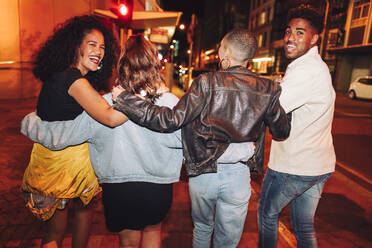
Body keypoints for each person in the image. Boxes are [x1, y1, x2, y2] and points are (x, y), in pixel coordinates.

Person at [21, 34, 255, 248]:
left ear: (122, 65)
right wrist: (243, 149)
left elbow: (65, 135)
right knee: (153, 232)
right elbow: (193, 141)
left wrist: (32, 124)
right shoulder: (170, 102)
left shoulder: (103, 103)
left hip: (119, 189)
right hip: (158, 187)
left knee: (128, 241)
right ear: (154, 65)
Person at [112, 29, 291, 247]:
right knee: (228, 239)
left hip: (205, 171)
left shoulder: (206, 82)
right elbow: (282, 132)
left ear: (225, 53)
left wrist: (126, 100)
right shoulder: (269, 89)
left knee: (203, 228)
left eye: (219, 49)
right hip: (238, 175)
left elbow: (168, 120)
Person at [21, 15, 127, 248]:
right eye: (92, 44)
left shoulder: (57, 76)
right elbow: (109, 117)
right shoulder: (74, 81)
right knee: (79, 217)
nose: (99, 51)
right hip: (70, 167)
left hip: (48, 163)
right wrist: (138, 102)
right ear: (75, 46)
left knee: (55, 230)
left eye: (102, 47)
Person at [257, 6, 336, 248]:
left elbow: (271, 109)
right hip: (317, 165)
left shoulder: (306, 70)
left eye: (300, 33)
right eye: (289, 31)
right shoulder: (315, 67)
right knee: (303, 225)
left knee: (267, 215)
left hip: (294, 166)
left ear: (314, 38)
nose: (290, 37)